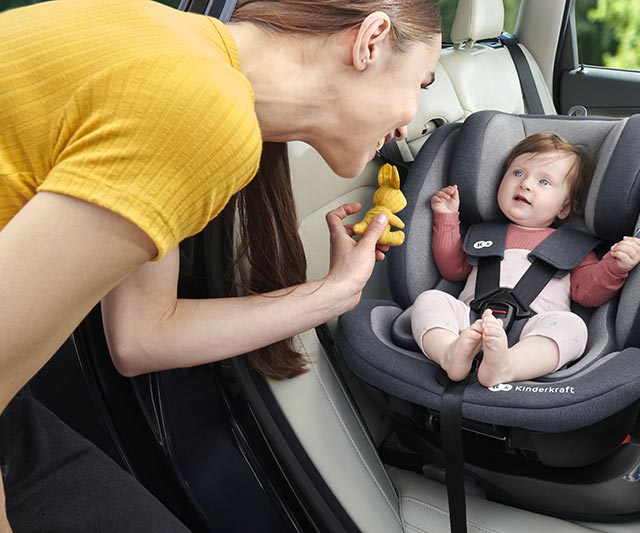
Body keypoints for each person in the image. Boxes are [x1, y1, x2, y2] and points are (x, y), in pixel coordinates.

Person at [0, 0, 441, 530]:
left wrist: (337, 292)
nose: (410, 119)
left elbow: (142, 336)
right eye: (423, 83)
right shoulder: (201, 113)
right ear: (369, 41)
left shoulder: (174, 48)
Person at [410, 132, 640, 388]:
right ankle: (448, 353)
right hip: (469, 322)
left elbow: (587, 293)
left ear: (565, 207)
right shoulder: (482, 234)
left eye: (544, 182)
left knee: (573, 327)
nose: (526, 185)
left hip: (533, 331)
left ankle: (506, 365)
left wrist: (615, 266)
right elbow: (453, 269)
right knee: (430, 300)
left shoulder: (572, 247)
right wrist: (446, 218)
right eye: (518, 173)